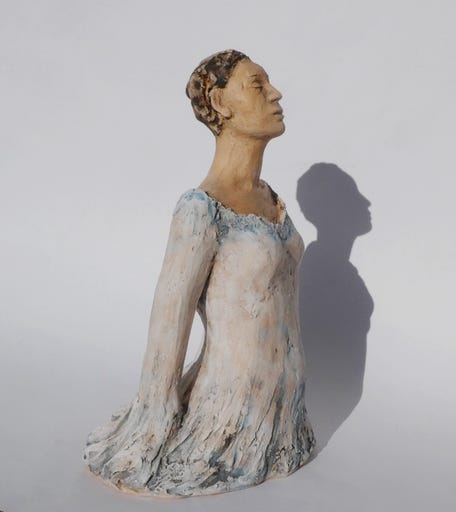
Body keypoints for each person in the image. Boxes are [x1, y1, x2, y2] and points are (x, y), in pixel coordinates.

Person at [84, 49, 316, 498]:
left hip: (285, 416)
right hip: (227, 418)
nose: (276, 94)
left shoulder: (272, 199)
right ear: (221, 102)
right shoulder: (200, 209)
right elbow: (169, 319)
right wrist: (155, 413)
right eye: (257, 85)